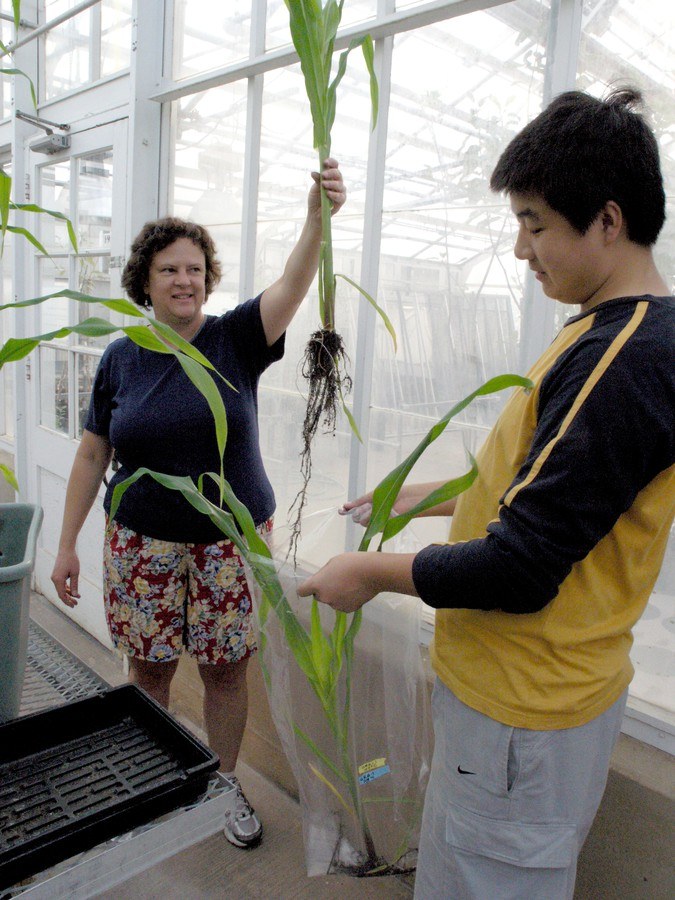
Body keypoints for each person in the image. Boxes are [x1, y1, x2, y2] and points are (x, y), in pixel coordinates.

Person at [297, 88, 675, 898]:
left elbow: (520, 566)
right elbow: (544, 486)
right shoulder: (601, 333)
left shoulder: (628, 358)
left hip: (522, 711)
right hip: (520, 707)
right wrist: (421, 493)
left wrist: (370, 573)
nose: (519, 249)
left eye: (534, 223)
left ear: (606, 221)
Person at [51, 160, 346, 850]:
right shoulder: (121, 358)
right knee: (148, 667)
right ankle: (155, 777)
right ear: (144, 285)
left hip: (229, 544)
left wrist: (315, 218)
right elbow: (93, 455)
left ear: (208, 278)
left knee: (223, 668)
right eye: (168, 271)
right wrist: (66, 543)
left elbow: (293, 286)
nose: (184, 280)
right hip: (142, 543)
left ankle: (221, 780)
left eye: (194, 269)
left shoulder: (234, 338)